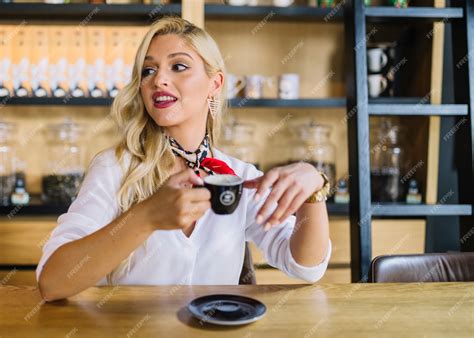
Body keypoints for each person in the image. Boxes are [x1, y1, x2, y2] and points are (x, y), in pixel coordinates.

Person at [37, 17, 331, 301]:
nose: (159, 80)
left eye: (178, 66)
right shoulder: (115, 168)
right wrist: (147, 216)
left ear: (215, 84)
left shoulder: (239, 175)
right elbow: (52, 282)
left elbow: (305, 266)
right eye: (148, 71)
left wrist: (314, 187)